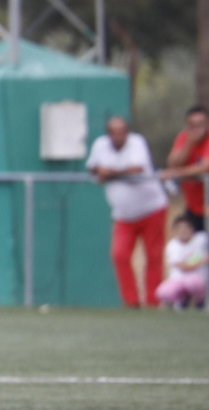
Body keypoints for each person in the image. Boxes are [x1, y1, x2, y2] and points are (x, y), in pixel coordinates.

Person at [86, 115, 170, 308]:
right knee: (120, 255)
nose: (118, 136)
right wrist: (100, 171)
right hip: (123, 214)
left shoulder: (137, 142)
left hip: (152, 209)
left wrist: (109, 172)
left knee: (154, 256)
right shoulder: (100, 145)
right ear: (108, 134)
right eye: (114, 132)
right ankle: (131, 302)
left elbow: (136, 168)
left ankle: (153, 302)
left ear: (127, 132)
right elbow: (92, 167)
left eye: (122, 131)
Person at [162, 105, 209, 233]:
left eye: (200, 124)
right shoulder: (184, 137)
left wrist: (175, 174)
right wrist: (189, 143)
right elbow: (173, 163)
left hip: (207, 207)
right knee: (194, 251)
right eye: (192, 125)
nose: (196, 129)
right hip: (193, 208)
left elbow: (204, 167)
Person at [156, 215, 208, 310]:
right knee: (163, 292)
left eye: (187, 227)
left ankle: (200, 301)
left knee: (193, 283)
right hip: (179, 279)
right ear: (175, 231)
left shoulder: (201, 239)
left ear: (192, 228)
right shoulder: (172, 245)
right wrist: (202, 260)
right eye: (180, 228)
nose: (184, 231)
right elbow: (183, 266)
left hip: (198, 278)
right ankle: (181, 300)